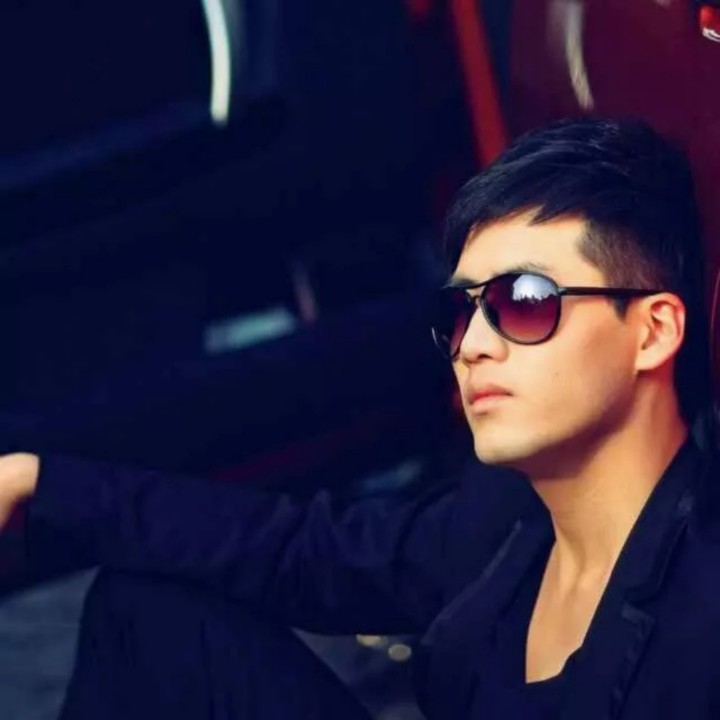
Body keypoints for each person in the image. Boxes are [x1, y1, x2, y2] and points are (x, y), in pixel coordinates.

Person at [1, 115, 719, 719]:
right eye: (461, 311)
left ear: (652, 332)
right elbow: (302, 550)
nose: (471, 346)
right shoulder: (506, 518)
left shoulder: (702, 613)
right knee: (150, 618)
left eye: (523, 303)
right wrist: (41, 482)